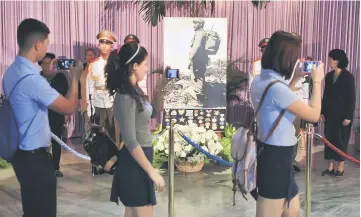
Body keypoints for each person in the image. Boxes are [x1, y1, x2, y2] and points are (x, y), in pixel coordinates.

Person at [3, 18, 82, 217]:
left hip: (19, 154)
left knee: (31, 209)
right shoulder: (33, 80)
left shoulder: (11, 71)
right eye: (47, 43)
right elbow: (69, 107)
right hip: (35, 159)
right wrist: (75, 78)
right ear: (38, 44)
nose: (48, 48)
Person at [250, 30, 324, 217]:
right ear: (286, 59)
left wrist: (297, 77)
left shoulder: (262, 80)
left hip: (275, 155)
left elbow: (281, 98)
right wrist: (316, 82)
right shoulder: (276, 88)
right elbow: (314, 115)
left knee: (292, 212)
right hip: (276, 158)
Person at [105, 42, 166, 217]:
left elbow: (153, 111)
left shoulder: (135, 91)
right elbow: (131, 141)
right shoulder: (125, 97)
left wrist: (162, 84)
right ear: (135, 66)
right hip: (134, 163)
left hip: (141, 159)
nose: (147, 69)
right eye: (145, 64)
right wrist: (152, 172)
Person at [321, 49, 355, 177]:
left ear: (337, 61)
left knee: (341, 141)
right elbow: (326, 95)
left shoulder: (348, 76)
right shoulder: (329, 76)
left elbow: (352, 98)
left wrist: (349, 116)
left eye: (330, 59)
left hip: (343, 115)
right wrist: (322, 112)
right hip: (330, 114)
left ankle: (340, 167)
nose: (329, 61)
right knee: (329, 139)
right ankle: (330, 167)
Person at [39, 52, 69, 177]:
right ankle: (44, 167)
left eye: (49, 63)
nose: (46, 66)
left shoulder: (61, 77)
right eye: (43, 63)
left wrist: (66, 112)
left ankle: (55, 167)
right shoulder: (37, 78)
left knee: (56, 141)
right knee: (42, 143)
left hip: (56, 114)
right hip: (41, 115)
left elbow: (64, 94)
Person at [188, 18, 208, 106]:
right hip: (201, 60)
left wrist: (190, 58)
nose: (194, 25)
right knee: (199, 78)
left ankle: (199, 101)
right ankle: (200, 100)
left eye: (195, 23)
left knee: (197, 78)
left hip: (198, 60)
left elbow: (196, 46)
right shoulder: (202, 33)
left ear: (200, 24)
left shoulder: (200, 33)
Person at [80, 48, 97, 129]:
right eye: (88, 54)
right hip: (84, 101)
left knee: (97, 124)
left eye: (92, 54)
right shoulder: (81, 68)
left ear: (95, 56)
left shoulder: (99, 68)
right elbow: (77, 85)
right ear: (85, 57)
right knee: (87, 124)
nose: (90, 56)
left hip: (97, 101)